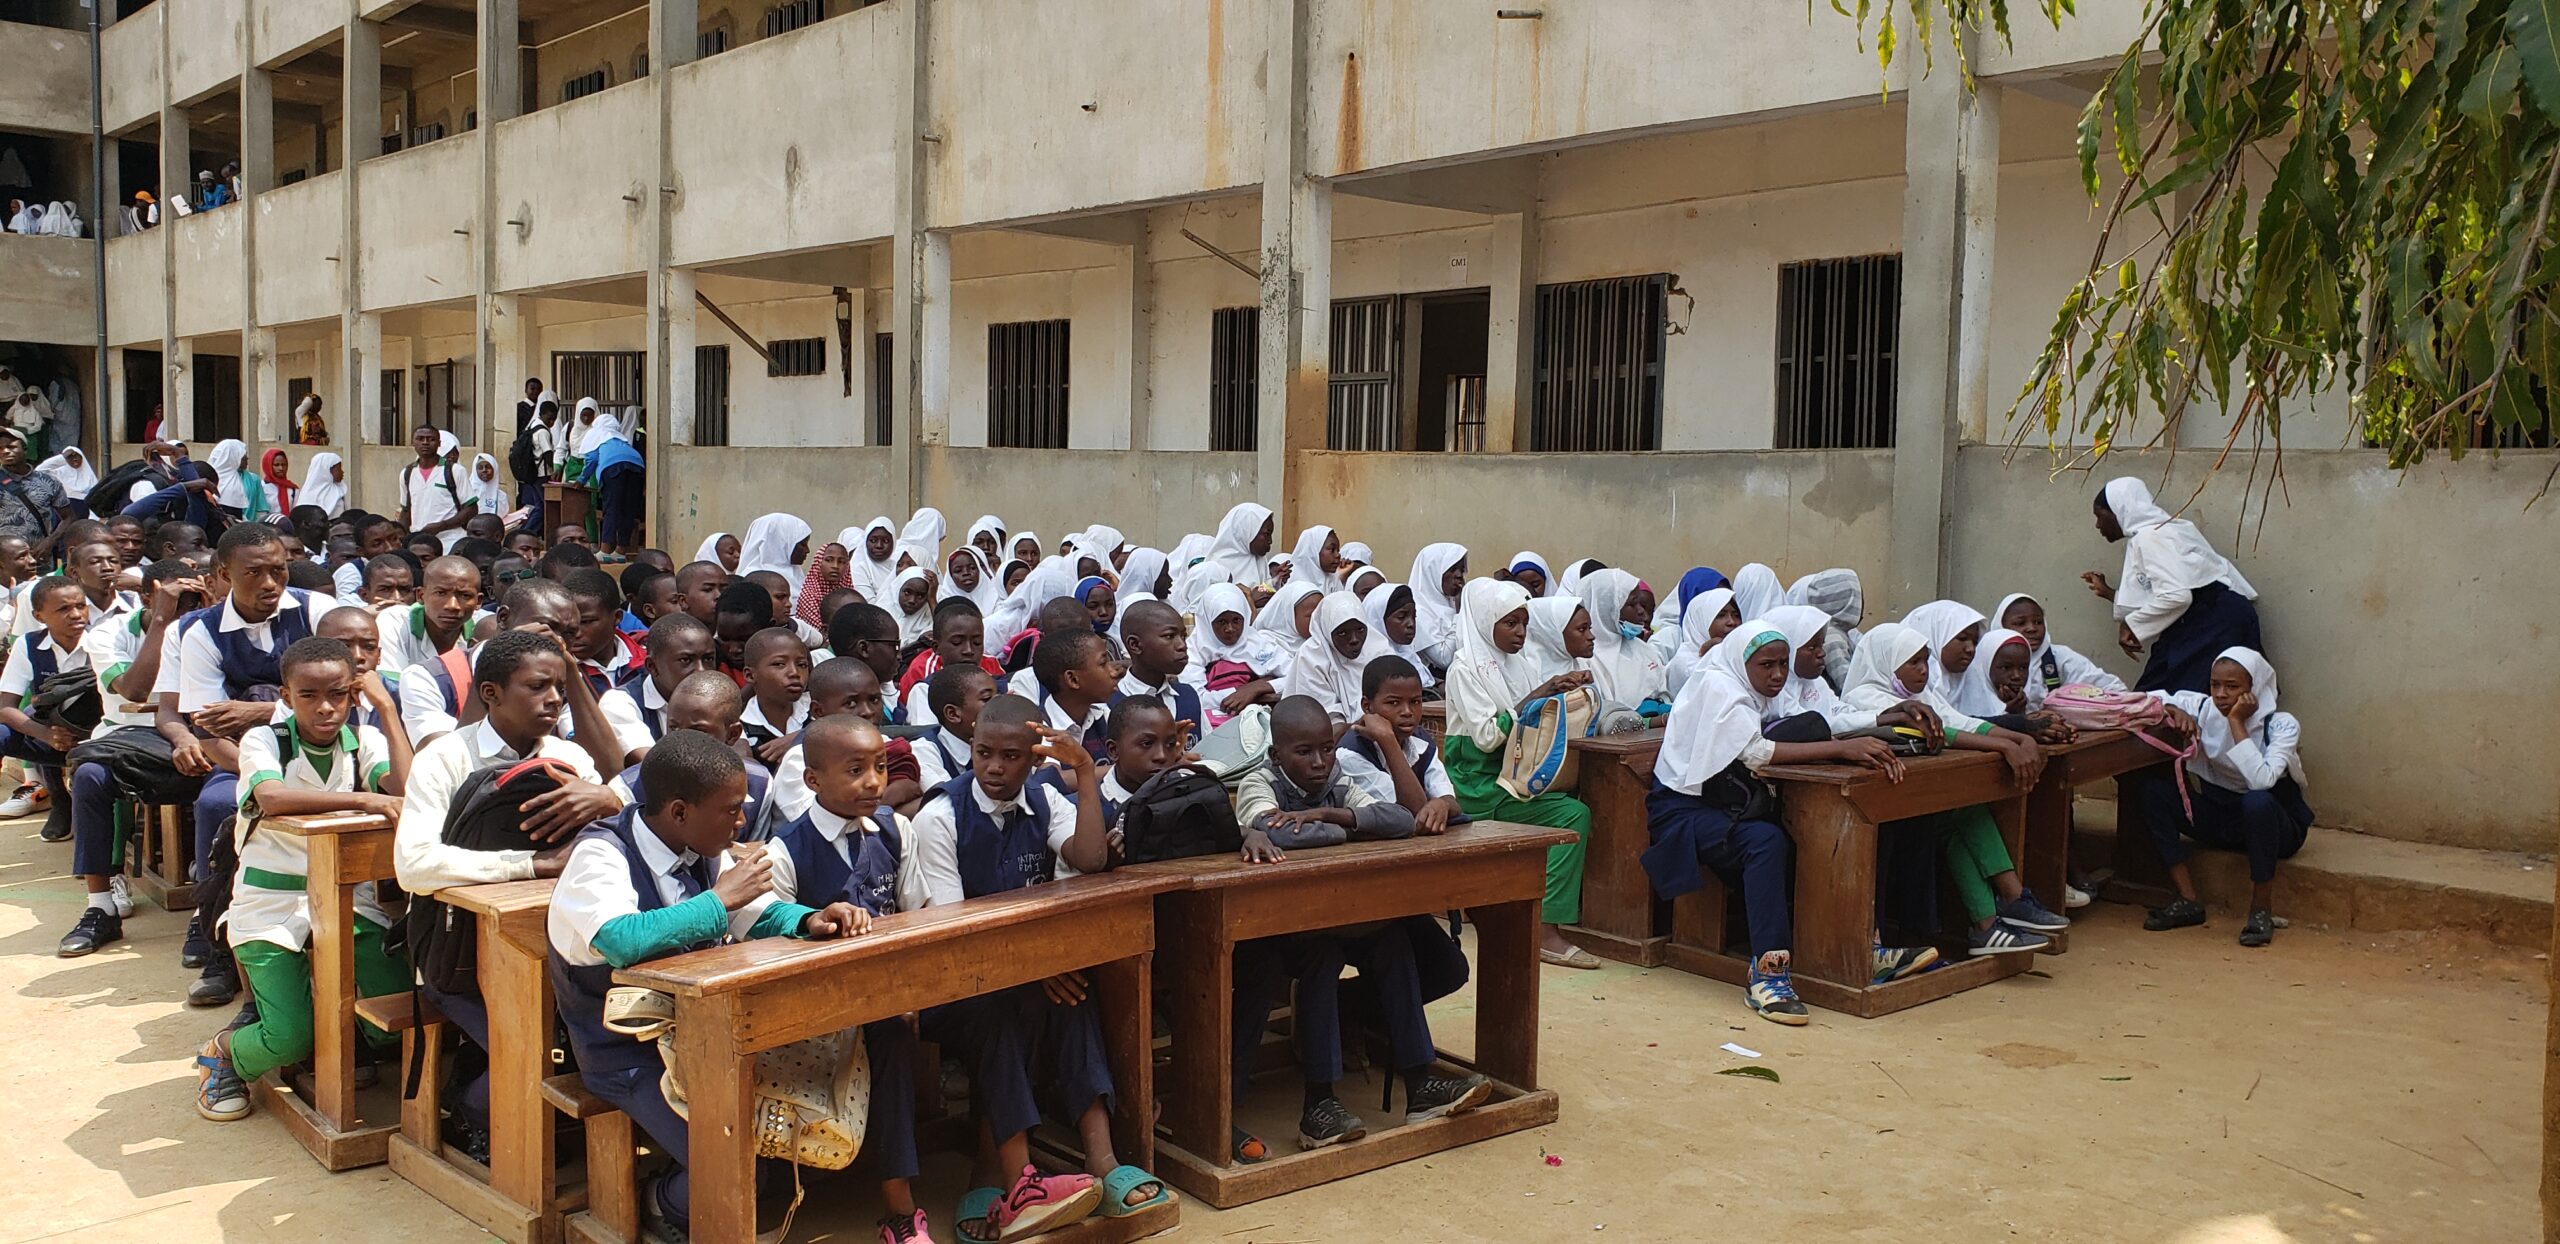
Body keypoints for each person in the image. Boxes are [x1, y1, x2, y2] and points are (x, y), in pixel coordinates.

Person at [546, 729, 857, 1242]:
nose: (741, 822)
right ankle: (662, 1205)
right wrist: (718, 900)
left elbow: (753, 915)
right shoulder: (602, 856)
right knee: (730, 1163)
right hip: (623, 1054)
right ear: (679, 811)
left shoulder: (702, 848)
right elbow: (621, 941)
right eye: (731, 811)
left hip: (701, 1039)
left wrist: (808, 919)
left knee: (784, 1139)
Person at [905, 695, 1166, 1236]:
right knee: (1011, 1006)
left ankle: (1100, 1159)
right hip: (952, 983)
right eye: (983, 754)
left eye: (1010, 757)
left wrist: (1087, 772)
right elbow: (957, 932)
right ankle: (1001, 1173)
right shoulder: (940, 817)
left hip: (1026, 973)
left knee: (1071, 993)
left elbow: (1091, 859)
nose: (995, 768)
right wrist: (1035, 966)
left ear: (1034, 760)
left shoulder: (1046, 801)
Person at [396, 629, 622, 1156]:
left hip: (555, 944)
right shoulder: (445, 758)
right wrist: (532, 864)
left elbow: (611, 840)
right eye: (537, 686)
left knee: (594, 1035)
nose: (554, 699)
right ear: (491, 693)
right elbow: (414, 865)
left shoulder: (571, 758)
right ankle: (472, 1113)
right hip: (458, 952)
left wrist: (609, 801)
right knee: (530, 1045)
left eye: (561, 688)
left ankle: (529, 1123)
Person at [1233, 695, 1487, 1148]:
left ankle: (1420, 1084)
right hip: (1279, 929)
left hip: (1339, 914)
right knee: (1323, 955)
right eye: (1303, 752)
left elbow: (1398, 819)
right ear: (1277, 755)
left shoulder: (1338, 780)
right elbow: (1274, 831)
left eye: (1326, 749)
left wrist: (1327, 814)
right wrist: (1348, 828)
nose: (1318, 762)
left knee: (1392, 940)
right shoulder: (1260, 780)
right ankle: (1319, 1105)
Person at [1643, 621, 1922, 1025]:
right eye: (1767, 665)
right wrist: (1843, 750)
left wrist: (1876, 721)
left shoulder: (1757, 685)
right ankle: (1768, 972)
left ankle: (1862, 949)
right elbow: (1756, 753)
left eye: (1783, 664)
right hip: (1684, 809)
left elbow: (1813, 719)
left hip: (1728, 802)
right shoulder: (1722, 686)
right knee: (1765, 841)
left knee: (1840, 831)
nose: (1777, 675)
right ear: (1745, 662)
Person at [189, 636, 411, 1123]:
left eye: (337, 694)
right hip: (272, 901)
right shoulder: (265, 739)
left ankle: (337, 1044)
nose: (326, 708)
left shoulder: (366, 740)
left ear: (354, 694)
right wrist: (364, 801)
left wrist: (387, 711)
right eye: (308, 696)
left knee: (392, 1021)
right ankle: (226, 1052)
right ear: (286, 698)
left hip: (350, 899)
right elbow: (271, 797)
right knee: (287, 1037)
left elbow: (403, 790)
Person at [755, 713, 933, 1242]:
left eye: (879, 766)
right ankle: (900, 1208)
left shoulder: (895, 832)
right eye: (855, 770)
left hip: (891, 995)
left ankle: (901, 1205)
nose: (874, 782)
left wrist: (914, 991)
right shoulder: (783, 851)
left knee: (900, 1030)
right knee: (890, 1036)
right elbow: (768, 944)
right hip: (816, 1008)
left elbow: (919, 915)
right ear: (812, 780)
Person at [55, 554, 211, 955]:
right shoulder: (105, 635)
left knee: (217, 786)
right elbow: (134, 690)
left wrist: (200, 616)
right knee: (89, 776)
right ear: (147, 597)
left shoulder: (205, 628)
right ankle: (100, 908)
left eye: (193, 595)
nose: (185, 607)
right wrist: (162, 620)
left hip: (187, 736)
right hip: (124, 738)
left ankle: (204, 912)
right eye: (177, 597)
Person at [1439, 578, 1599, 969]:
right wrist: (1538, 695)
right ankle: (1545, 927)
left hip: (1516, 771)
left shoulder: (1522, 664)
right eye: (1510, 623)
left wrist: (1561, 692)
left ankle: (1541, 908)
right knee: (1572, 815)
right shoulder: (1465, 669)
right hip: (1481, 782)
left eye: (1524, 624)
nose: (1520, 633)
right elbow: (1489, 736)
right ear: (1485, 621)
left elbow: (1534, 721)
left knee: (1578, 798)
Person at [2128, 647, 2309, 946]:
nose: (2221, 694)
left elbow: (2260, 781)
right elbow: (2143, 699)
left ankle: (2260, 909)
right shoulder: (2201, 708)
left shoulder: (2281, 725)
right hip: (2222, 816)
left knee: (2257, 801)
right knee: (2153, 792)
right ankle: (2188, 899)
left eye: (2233, 687)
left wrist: (2236, 723)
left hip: (2274, 826)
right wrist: (2172, 711)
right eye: (2215, 685)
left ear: (2255, 689)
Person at [2083, 476, 2263, 693]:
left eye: (2100, 516)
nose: (2097, 525)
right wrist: (2110, 594)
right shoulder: (2164, 530)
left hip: (2213, 621)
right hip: (2202, 619)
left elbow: (2178, 596)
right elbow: (2167, 591)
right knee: (2163, 695)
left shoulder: (2151, 537)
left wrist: (2132, 624)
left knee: (2177, 699)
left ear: (2119, 511)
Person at [0, 576, 92, 841]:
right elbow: (6, 707)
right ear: (39, 616)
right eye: (63, 609)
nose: (76, 614)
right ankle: (59, 797)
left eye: (81, 606)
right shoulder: (29, 645)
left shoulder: (102, 640)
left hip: (98, 730)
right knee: (18, 723)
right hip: (52, 732)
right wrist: (45, 734)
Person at [1336, 656, 1460, 833]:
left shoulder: (1420, 740)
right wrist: (1388, 741)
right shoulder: (1351, 754)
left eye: (1415, 702)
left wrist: (1442, 803)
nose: (1407, 712)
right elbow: (1411, 813)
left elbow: (1451, 800)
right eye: (1393, 703)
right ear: (1367, 706)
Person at [599, 612, 717, 765]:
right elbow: (653, 765)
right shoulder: (619, 702)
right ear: (652, 667)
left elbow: (743, 754)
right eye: (686, 660)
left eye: (708, 659)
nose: (701, 670)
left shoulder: (716, 697)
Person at [1990, 591, 2126, 709]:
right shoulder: (1986, 664)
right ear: (2001, 627)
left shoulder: (2057, 657)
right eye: (2020, 623)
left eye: (2038, 622)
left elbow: (2115, 689)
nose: (2032, 628)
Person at [1281, 589, 1385, 728]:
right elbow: (1321, 714)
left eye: (1360, 630)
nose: (1354, 639)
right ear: (1326, 631)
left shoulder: (1379, 648)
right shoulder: (1312, 656)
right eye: (1342, 633)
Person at [895, 597, 1003, 725]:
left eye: (977, 643)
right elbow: (927, 734)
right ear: (936, 647)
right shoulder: (925, 690)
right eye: (957, 642)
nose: (968, 650)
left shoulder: (997, 681)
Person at [1575, 568, 1667, 715]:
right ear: (1608, 608)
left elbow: (1662, 693)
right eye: (1632, 604)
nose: (1641, 611)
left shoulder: (1644, 650)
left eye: (1641, 604)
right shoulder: (1587, 658)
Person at [1112, 600, 1203, 741]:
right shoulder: (1110, 705)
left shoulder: (1188, 696)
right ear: (1135, 645)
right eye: (1169, 636)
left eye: (1183, 636)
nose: (1182, 645)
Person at [377, 554, 478, 681]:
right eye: (441, 593)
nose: (452, 606)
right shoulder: (395, 621)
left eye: (465, 595)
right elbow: (391, 686)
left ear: (478, 601)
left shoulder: (483, 629)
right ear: (421, 595)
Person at [1028, 626, 1115, 764]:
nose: (1113, 671)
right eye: (1103, 664)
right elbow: (1054, 777)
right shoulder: (1040, 731)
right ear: (1073, 679)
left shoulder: (1104, 714)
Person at [574, 404, 645, 554]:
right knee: (628, 509)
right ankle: (620, 551)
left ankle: (605, 550)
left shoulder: (596, 435)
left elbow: (592, 460)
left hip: (613, 468)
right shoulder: (621, 438)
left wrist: (581, 480)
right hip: (637, 466)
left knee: (612, 509)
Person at [915, 663, 995, 793]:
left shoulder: (1008, 741)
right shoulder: (923, 751)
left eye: (998, 697)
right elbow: (951, 800)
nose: (998, 705)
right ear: (953, 714)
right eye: (987, 699)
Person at [398, 425, 471, 553]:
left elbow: (471, 508)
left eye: (431, 439)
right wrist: (403, 539)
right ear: (413, 443)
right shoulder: (407, 473)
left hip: (450, 541)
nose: (425, 443)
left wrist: (443, 525)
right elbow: (405, 510)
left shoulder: (455, 471)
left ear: (439, 443)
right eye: (420, 439)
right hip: (419, 543)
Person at [738, 627, 811, 756]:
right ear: (750, 675)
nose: (794, 672)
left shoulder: (816, 710)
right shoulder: (742, 730)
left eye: (802, 665)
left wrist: (800, 737)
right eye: (779, 664)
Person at [1403, 543, 1467, 675]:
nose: (1459, 575)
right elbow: (1444, 659)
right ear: (1432, 571)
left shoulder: (1450, 604)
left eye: (1461, 570)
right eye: (1452, 569)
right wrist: (1461, 613)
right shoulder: (1418, 612)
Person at [0, 426, 63, 542]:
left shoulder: (48, 482)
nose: (5, 451)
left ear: (25, 449)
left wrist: (50, 542)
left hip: (41, 556)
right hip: (5, 558)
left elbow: (69, 517)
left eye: (11, 447)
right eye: (0, 448)